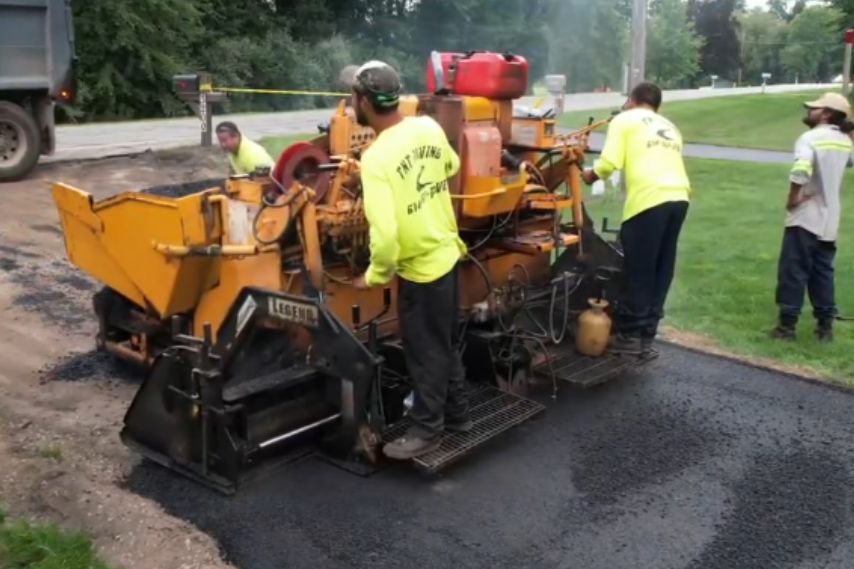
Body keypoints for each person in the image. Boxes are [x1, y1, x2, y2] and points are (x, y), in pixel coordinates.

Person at [348, 60, 471, 460]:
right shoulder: (428, 127)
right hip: (448, 255)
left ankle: (426, 431)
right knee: (445, 343)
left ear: (363, 100)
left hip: (420, 269)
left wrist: (375, 275)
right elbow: (450, 165)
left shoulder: (377, 158)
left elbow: (384, 238)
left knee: (425, 351)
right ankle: (458, 416)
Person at [581, 82, 691, 356]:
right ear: (657, 105)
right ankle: (647, 333)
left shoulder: (624, 120)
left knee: (638, 268)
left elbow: (608, 164)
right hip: (679, 198)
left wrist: (590, 175)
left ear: (631, 100)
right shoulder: (669, 126)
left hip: (649, 200)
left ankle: (630, 335)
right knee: (661, 267)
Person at [771, 92, 854, 343]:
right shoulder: (843, 141)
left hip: (807, 216)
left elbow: (800, 171)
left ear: (826, 113)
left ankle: (786, 327)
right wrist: (849, 130)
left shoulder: (809, 138)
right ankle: (825, 327)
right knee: (822, 273)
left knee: (793, 271)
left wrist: (792, 198)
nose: (809, 111)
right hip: (830, 219)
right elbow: (850, 161)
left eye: (815, 108)